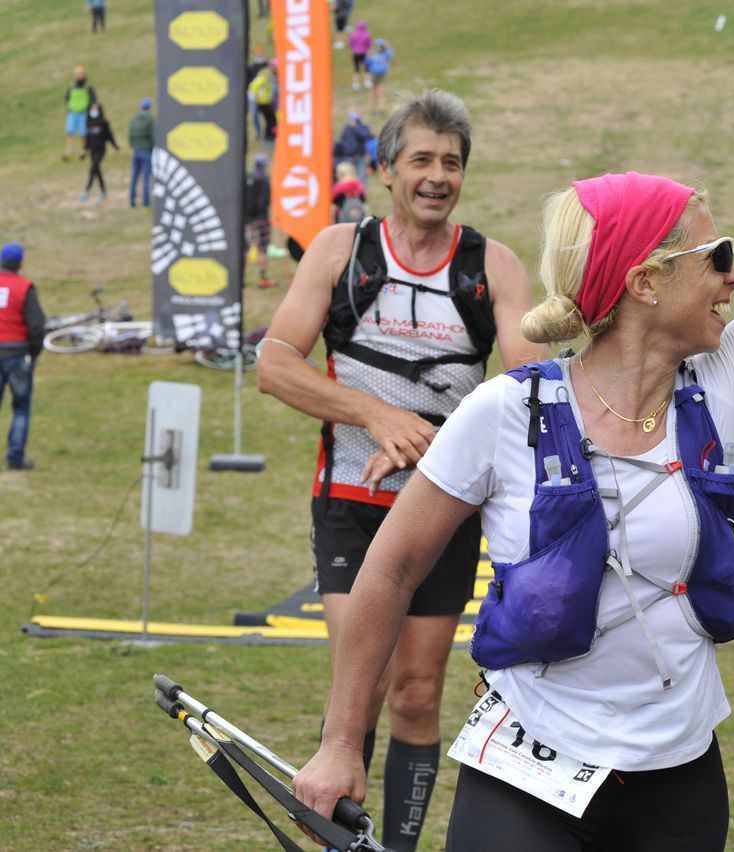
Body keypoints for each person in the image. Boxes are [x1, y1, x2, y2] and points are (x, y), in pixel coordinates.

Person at [291, 0, 734, 848]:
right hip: (525, 776)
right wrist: (338, 743)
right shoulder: (505, 412)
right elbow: (390, 571)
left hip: (679, 781)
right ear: (645, 282)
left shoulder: (725, 388)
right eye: (716, 257)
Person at [258, 89, 544, 852]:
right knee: (364, 685)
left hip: (444, 510)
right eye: (421, 159)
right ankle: (339, 838)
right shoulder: (339, 251)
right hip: (351, 501)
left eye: (451, 162)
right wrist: (376, 416)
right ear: (386, 169)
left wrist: (432, 445)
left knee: (418, 694)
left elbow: (531, 388)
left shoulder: (492, 265)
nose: (437, 176)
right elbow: (275, 366)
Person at [0, 244, 44, 472]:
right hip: (17, 352)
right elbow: (36, 325)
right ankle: (15, 458)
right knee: (20, 408)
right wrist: (34, 350)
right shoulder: (24, 287)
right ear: (20, 263)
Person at [244, 154, 274, 288]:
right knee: (262, 249)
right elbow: (265, 201)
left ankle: (240, 279)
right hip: (262, 219)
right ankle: (262, 278)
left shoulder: (248, 178)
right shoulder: (265, 180)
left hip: (247, 220)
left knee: (244, 249)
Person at [81, 102, 118, 204]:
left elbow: (109, 136)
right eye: (92, 108)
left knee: (94, 167)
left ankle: (87, 190)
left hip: (101, 150)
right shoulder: (88, 122)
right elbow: (87, 139)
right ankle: (103, 192)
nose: (94, 111)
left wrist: (115, 147)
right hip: (92, 150)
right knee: (96, 170)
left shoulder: (103, 122)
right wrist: (84, 151)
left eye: (95, 109)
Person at [64, 66, 97, 161]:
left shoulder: (88, 86)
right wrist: (69, 107)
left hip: (84, 113)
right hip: (72, 113)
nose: (78, 75)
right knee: (69, 132)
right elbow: (67, 98)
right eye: (77, 74)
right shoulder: (71, 86)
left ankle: (84, 151)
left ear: (83, 74)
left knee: (83, 133)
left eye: (80, 73)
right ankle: (69, 152)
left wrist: (92, 111)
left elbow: (93, 100)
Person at [128, 98, 155, 208]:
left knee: (134, 177)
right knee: (146, 178)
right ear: (149, 107)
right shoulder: (150, 118)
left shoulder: (134, 118)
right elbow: (153, 136)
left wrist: (133, 146)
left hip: (136, 151)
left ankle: (132, 201)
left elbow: (130, 135)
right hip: (146, 151)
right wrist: (153, 148)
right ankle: (146, 202)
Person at [334, 110, 374, 175]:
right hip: (348, 156)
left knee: (361, 174)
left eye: (354, 119)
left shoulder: (362, 127)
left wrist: (355, 127)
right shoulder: (346, 128)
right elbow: (343, 140)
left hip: (359, 156)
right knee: (349, 174)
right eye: (351, 119)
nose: (352, 121)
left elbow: (366, 136)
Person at [249, 60, 278, 142]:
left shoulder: (268, 76)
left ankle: (269, 136)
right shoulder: (264, 76)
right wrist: (255, 99)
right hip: (262, 102)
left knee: (271, 120)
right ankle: (269, 136)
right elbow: (253, 87)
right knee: (271, 120)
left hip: (266, 102)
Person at [364, 39, 393, 114]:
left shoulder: (385, 54)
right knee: (373, 93)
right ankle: (373, 109)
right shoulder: (372, 54)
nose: (379, 47)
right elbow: (367, 63)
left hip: (382, 74)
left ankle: (382, 109)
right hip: (374, 74)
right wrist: (369, 55)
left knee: (381, 92)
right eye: (378, 46)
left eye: (381, 46)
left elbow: (390, 53)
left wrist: (387, 45)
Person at [247, 46, 269, 141]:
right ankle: (258, 133)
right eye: (258, 52)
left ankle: (269, 133)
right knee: (254, 115)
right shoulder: (251, 67)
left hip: (266, 95)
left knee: (268, 115)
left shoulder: (267, 66)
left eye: (260, 52)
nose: (259, 54)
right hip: (253, 95)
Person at [348, 21, 372, 91]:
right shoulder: (367, 35)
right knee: (367, 68)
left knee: (356, 69)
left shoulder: (353, 34)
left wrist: (353, 49)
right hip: (364, 53)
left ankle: (356, 84)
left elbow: (350, 43)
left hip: (355, 53)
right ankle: (367, 82)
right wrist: (368, 51)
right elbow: (368, 44)